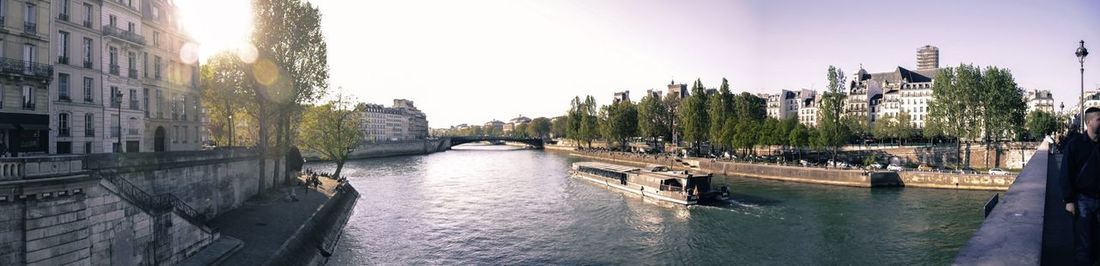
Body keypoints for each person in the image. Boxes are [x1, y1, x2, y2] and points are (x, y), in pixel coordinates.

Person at [1061, 107, 1100, 264]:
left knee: (1097, 241)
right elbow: (1065, 173)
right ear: (1088, 122)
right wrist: (1069, 200)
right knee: (1083, 243)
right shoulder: (1075, 145)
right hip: (1083, 199)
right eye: (1099, 119)